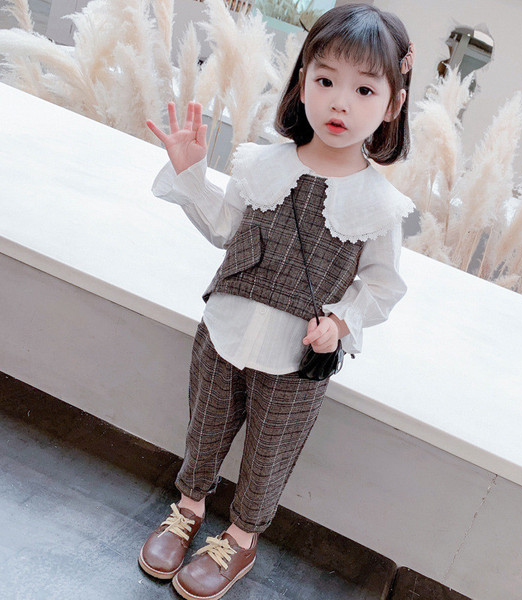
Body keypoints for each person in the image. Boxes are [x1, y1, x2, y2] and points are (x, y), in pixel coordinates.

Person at [140, 4, 416, 599]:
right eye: (326, 80)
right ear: (302, 82)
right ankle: (188, 507)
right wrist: (192, 175)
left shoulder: (379, 204)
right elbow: (226, 229)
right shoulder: (262, 162)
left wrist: (341, 321)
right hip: (225, 327)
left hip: (297, 357)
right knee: (205, 427)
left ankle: (240, 539)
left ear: (393, 105)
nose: (340, 103)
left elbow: (384, 285)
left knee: (270, 452)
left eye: (364, 90)